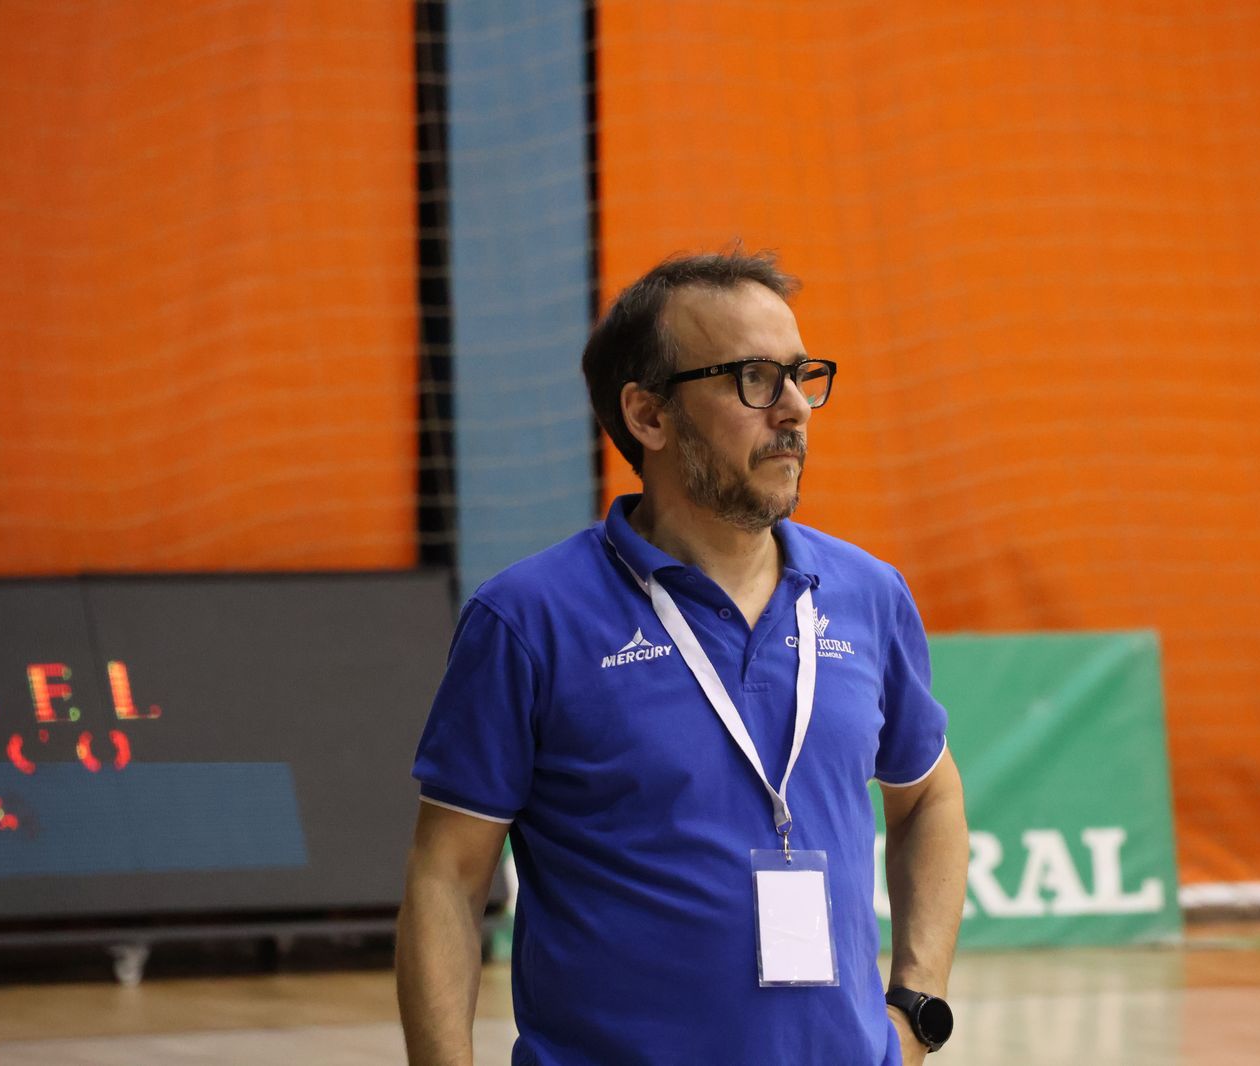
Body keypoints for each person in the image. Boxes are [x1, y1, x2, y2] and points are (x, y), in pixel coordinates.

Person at [396, 250, 969, 1065]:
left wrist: (916, 1010)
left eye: (802, 375)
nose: (796, 408)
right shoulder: (528, 618)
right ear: (649, 416)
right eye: (755, 379)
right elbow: (445, 879)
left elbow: (932, 801)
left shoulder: (869, 594)